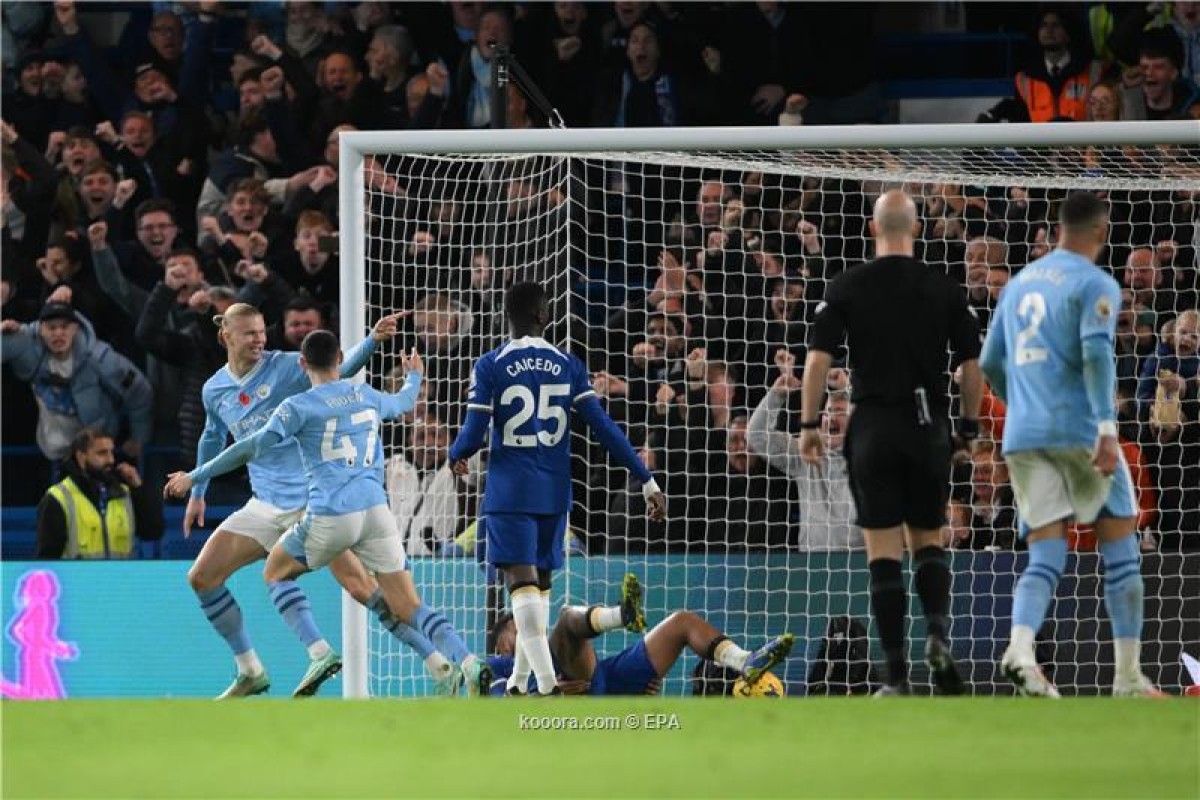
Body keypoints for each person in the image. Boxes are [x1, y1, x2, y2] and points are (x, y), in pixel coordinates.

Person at [165, 331, 491, 698]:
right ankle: (465, 660)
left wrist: (195, 476)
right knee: (407, 603)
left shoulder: (297, 406)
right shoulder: (366, 395)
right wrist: (414, 374)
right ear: (339, 358)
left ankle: (319, 651)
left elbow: (251, 446)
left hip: (329, 514)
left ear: (303, 365)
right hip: (377, 513)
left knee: (275, 571)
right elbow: (404, 403)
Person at [799, 190, 984, 696]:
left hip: (874, 427)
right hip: (927, 425)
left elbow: (817, 361)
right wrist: (967, 430)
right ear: (917, 229)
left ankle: (898, 677)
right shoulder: (944, 288)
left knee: (882, 552)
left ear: (873, 228)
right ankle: (940, 639)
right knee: (927, 539)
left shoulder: (848, 285)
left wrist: (810, 424)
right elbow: (972, 366)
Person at [980, 191, 1163, 698]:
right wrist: (1107, 429)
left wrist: (1024, 398)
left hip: (1024, 433)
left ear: (1057, 228)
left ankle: (1020, 649)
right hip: (1080, 431)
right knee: (1121, 549)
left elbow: (990, 361)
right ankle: (1127, 676)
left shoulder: (1019, 284)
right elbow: (1097, 355)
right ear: (1101, 233)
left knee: (1045, 554)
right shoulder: (1094, 282)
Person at [447, 282, 666, 696]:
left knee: (522, 588)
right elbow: (605, 429)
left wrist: (455, 451)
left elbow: (473, 432)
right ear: (544, 316)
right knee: (540, 590)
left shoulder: (490, 364)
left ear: (505, 319)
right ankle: (519, 681)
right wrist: (647, 479)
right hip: (554, 496)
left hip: (509, 494)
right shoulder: (568, 363)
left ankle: (546, 686)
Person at [487, 574, 793, 696]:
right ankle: (621, 615)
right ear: (502, 649)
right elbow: (498, 708)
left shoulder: (553, 649)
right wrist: (543, 696)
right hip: (565, 700)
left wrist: (634, 693)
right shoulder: (500, 669)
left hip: (604, 679)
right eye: (517, 637)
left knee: (681, 622)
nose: (530, 636)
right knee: (567, 618)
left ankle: (744, 660)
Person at [1, 299, 153, 462]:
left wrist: (138, 438)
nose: (58, 333)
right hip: (49, 450)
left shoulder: (101, 359)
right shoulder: (25, 345)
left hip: (95, 454)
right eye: (52, 328)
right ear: (41, 330)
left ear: (75, 328)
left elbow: (139, 391)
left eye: (64, 327)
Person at [747, 350, 862, 551]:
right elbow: (756, 435)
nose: (830, 418)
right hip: (812, 567)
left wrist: (848, 389)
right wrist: (776, 395)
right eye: (827, 412)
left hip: (861, 563)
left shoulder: (871, 456)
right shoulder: (807, 454)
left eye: (840, 412)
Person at [37, 427, 161, 559]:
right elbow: (48, 559)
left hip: (120, 578)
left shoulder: (124, 493)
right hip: (80, 579)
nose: (111, 460)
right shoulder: (58, 497)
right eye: (102, 453)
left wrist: (138, 488)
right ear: (81, 457)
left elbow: (153, 532)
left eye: (111, 452)